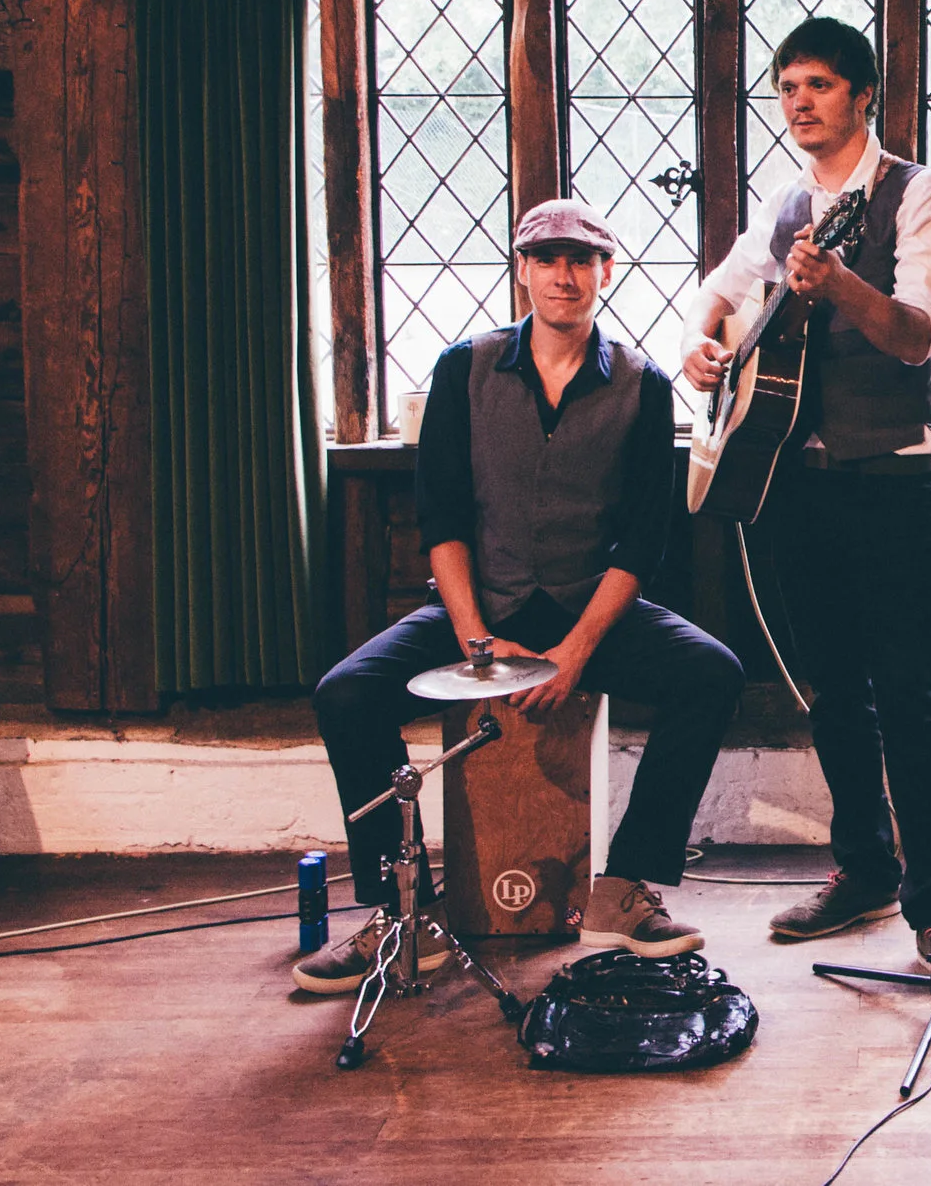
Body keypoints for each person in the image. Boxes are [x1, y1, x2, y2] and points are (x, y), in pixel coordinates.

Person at [297, 199, 744, 994]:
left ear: (606, 271)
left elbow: (642, 543)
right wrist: (476, 640)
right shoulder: (463, 369)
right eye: (546, 260)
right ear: (524, 272)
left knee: (712, 673)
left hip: (588, 610)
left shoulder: (642, 384)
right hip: (483, 608)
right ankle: (403, 915)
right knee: (347, 693)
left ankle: (623, 887)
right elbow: (442, 518)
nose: (563, 277)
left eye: (581, 261)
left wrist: (575, 652)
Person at [677, 16, 931, 980]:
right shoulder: (783, 205)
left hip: (894, 480)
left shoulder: (921, 193)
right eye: (787, 88)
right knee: (833, 696)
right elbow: (720, 290)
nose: (799, 103)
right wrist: (703, 343)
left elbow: (918, 337)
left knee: (914, 701)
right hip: (794, 483)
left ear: (863, 95)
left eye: (817, 85)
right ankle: (863, 870)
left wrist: (843, 285)